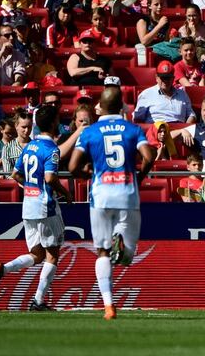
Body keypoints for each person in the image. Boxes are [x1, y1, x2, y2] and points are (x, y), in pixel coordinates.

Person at [69, 87, 154, 320]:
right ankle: (122, 245)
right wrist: (140, 177)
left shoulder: (89, 132)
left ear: (101, 106)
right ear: (121, 107)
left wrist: (88, 174)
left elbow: (73, 167)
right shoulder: (133, 129)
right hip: (127, 193)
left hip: (101, 195)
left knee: (102, 251)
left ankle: (109, 306)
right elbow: (149, 155)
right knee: (127, 257)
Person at [0, 105, 72, 311]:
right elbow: (50, 178)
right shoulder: (51, 149)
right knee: (52, 255)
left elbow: (15, 175)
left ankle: (3, 269)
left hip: (28, 206)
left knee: (38, 255)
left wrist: (30, 186)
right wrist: (65, 192)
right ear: (53, 124)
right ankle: (39, 301)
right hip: (45, 207)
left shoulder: (28, 148)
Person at [1, 107, 32, 174]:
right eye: (23, 127)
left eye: (29, 127)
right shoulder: (7, 148)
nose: (27, 130)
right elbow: (8, 174)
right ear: (16, 126)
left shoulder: (37, 146)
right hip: (15, 184)